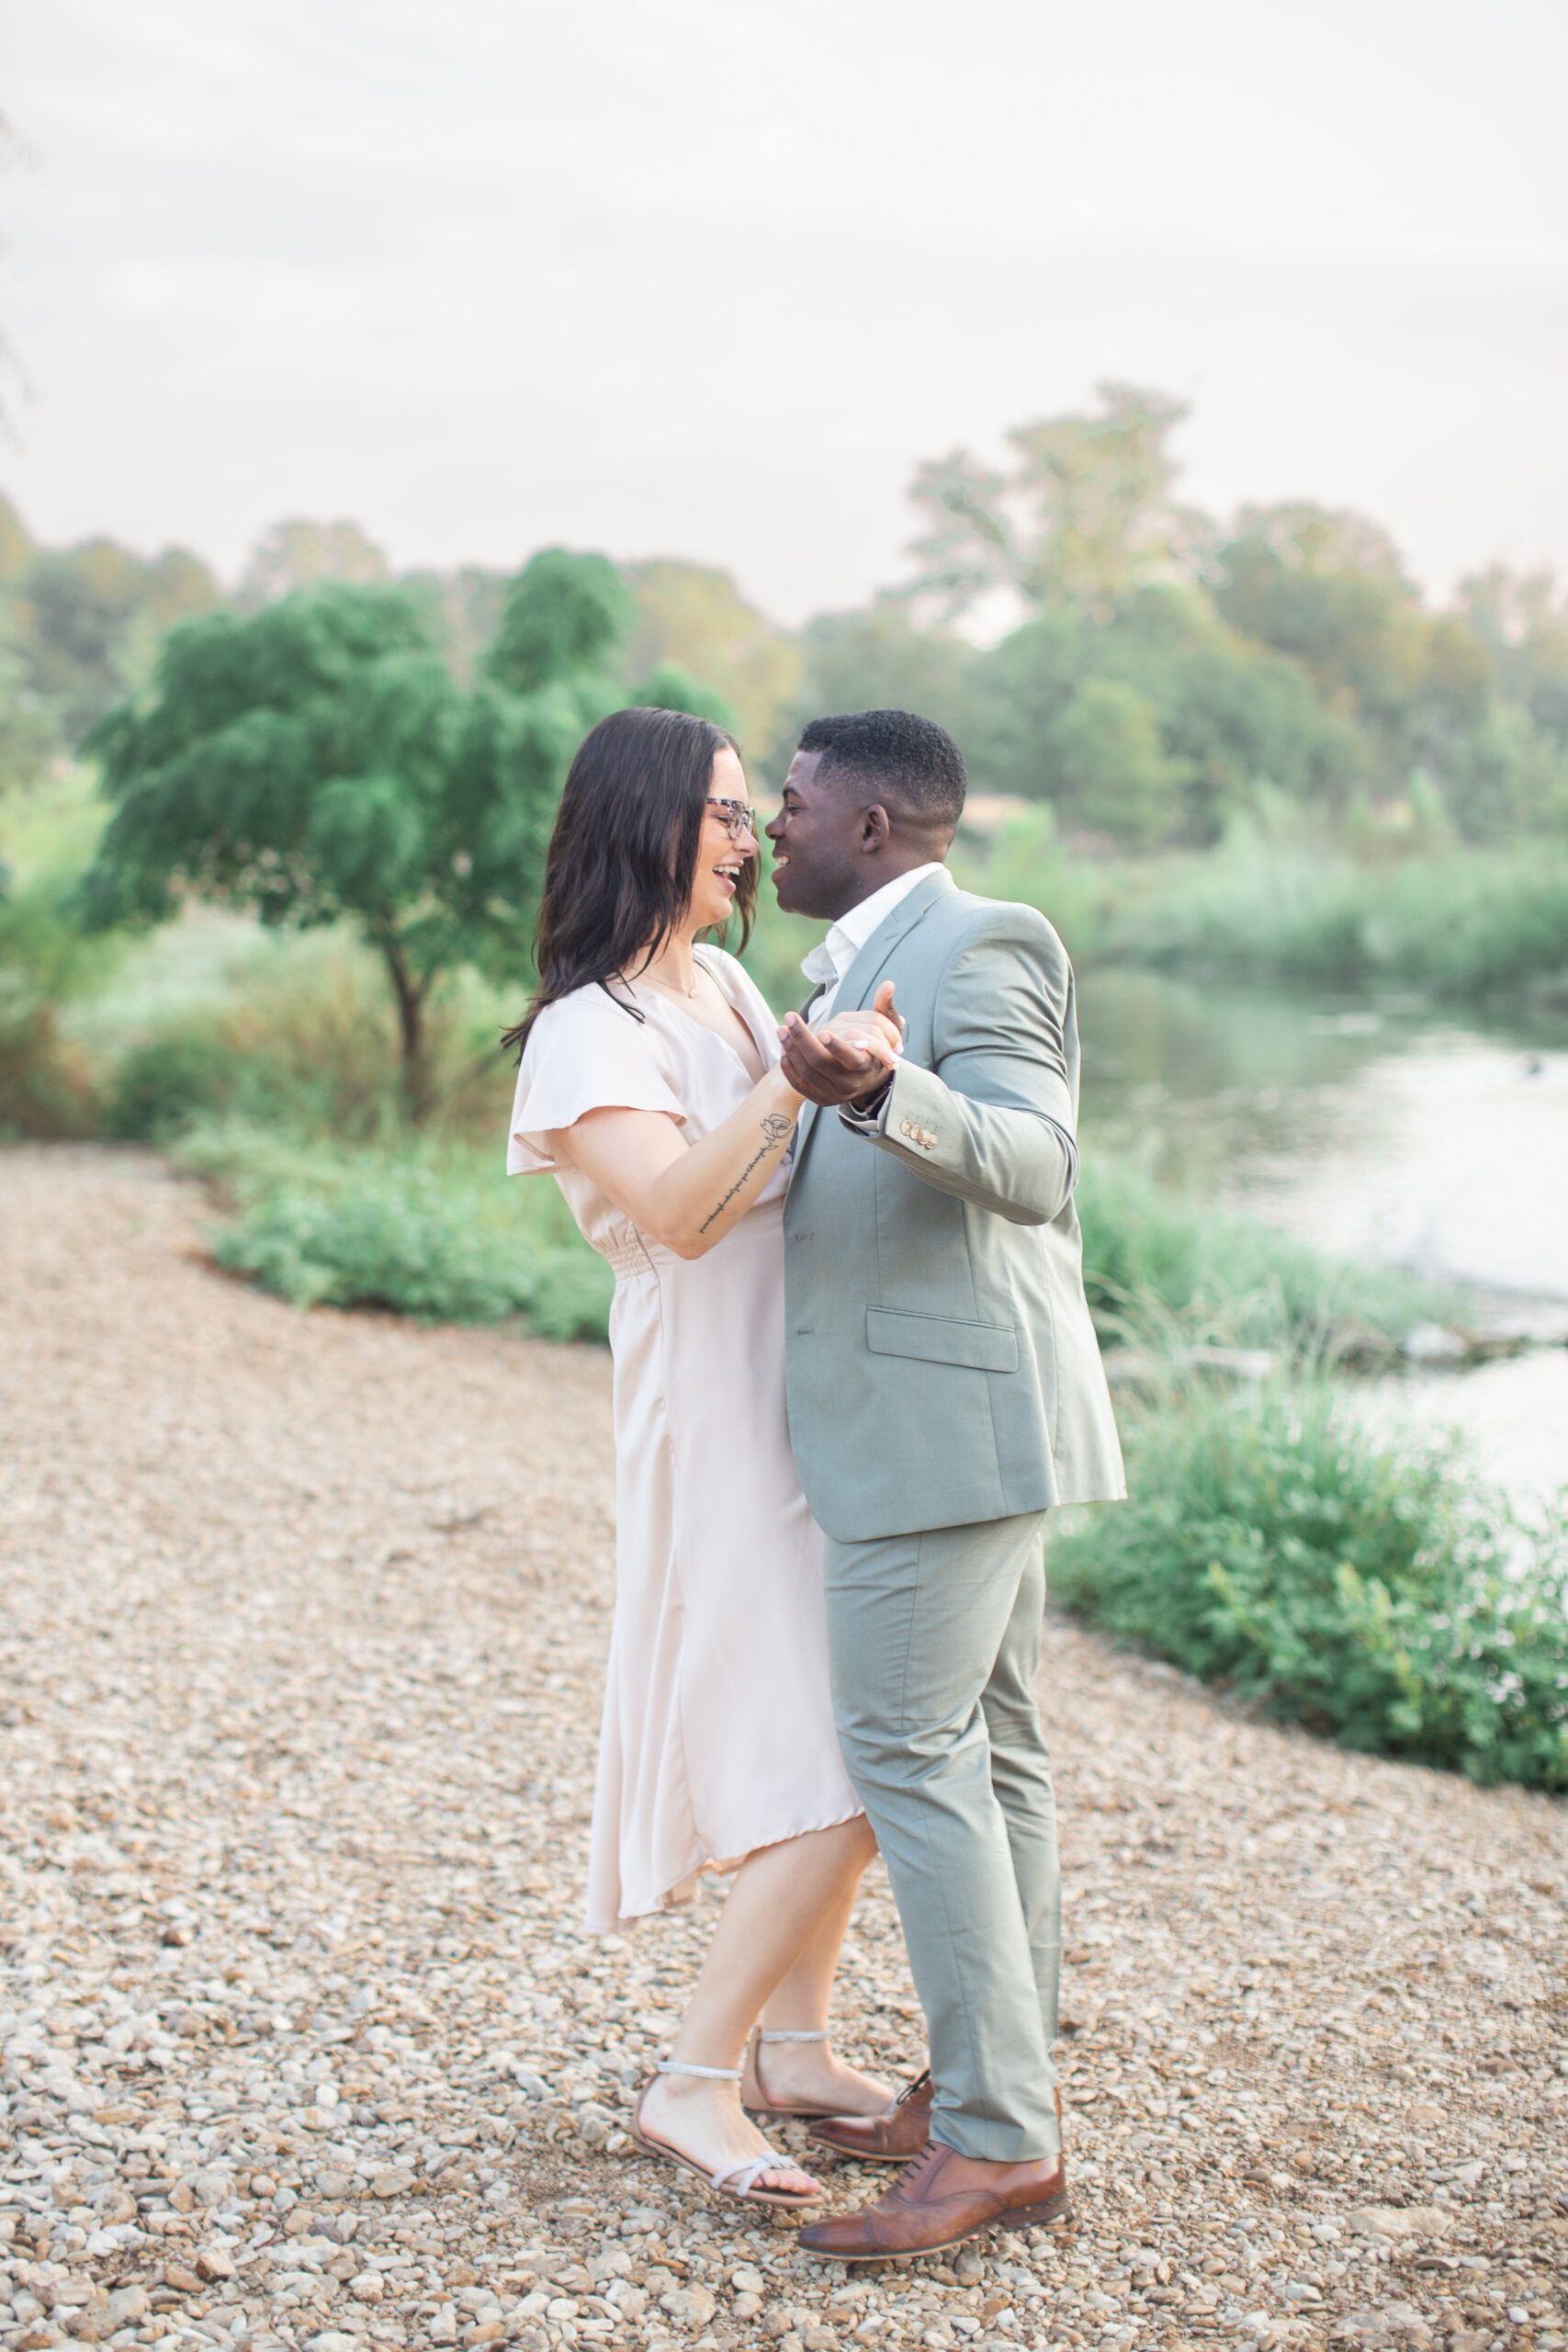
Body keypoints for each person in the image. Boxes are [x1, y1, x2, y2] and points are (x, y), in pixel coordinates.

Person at [502, 704, 903, 2212]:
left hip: (802, 1391)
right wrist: (797, 1087)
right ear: (647, 826)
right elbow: (675, 1210)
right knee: (850, 1747)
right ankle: (693, 2075)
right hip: (709, 1405)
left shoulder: (729, 985)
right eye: (728, 814)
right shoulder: (582, 1032)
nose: (752, 839)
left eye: (752, 813)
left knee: (838, 1720)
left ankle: (795, 2047)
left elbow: (801, 1157)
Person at [765, 708, 1126, 2262]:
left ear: (868, 823)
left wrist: (874, 1093)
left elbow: (1039, 1167)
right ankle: (997, 2094)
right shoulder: (850, 959)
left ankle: (996, 2141)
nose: (769, 825)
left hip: (941, 1429)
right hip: (950, 1421)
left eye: (788, 801)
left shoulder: (987, 940)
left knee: (912, 1756)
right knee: (999, 1760)